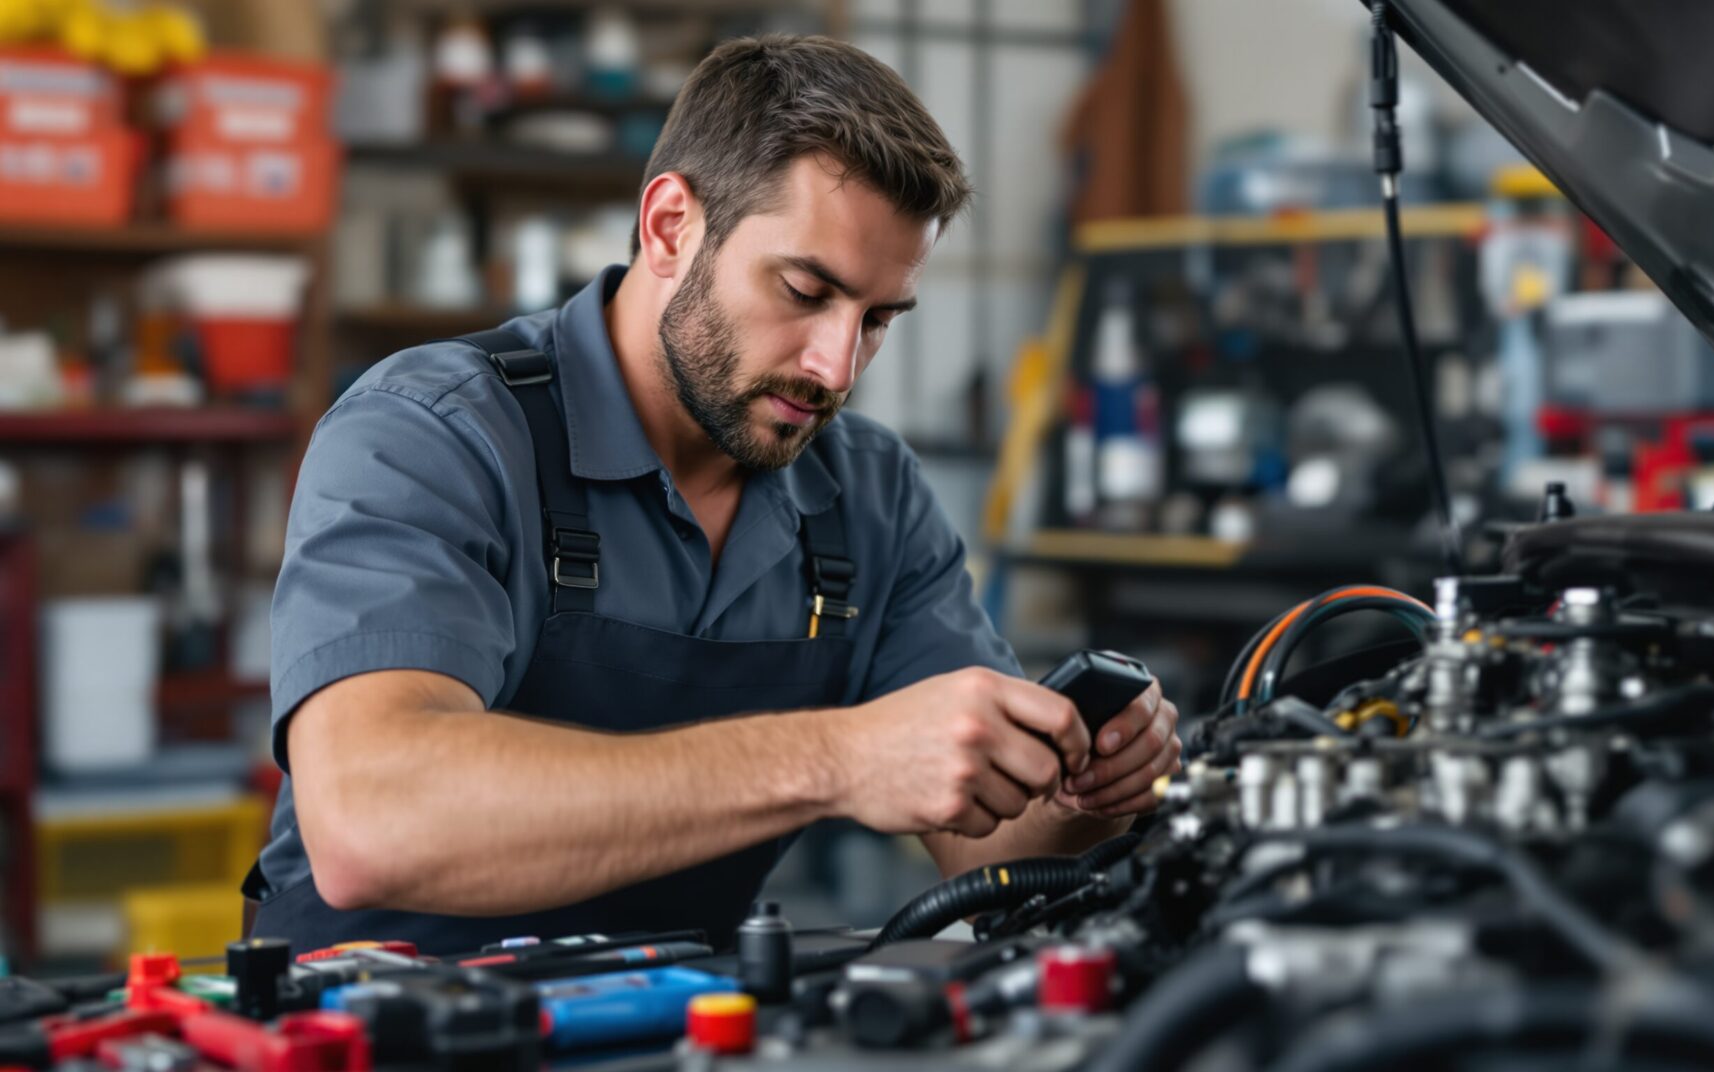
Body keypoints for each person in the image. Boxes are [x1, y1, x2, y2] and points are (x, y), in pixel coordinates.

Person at [246, 34, 1180, 954]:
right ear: (669, 228)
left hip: (674, 1028)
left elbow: (990, 853)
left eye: (879, 319)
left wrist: (1078, 794)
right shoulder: (432, 434)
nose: (837, 367)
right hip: (369, 1032)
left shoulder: (871, 496)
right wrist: (835, 759)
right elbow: (373, 821)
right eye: (806, 290)